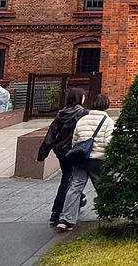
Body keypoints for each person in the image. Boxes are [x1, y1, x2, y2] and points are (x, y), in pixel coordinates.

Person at [56, 93, 114, 232]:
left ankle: (66, 219)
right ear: (106, 105)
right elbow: (109, 143)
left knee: (75, 188)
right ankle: (109, 213)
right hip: (98, 159)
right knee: (102, 186)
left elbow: (75, 141)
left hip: (80, 159)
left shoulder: (82, 120)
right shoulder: (108, 122)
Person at [38, 87, 88, 225]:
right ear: (79, 98)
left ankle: (76, 200)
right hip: (74, 151)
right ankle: (57, 211)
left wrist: (43, 153)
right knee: (68, 180)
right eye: (83, 96)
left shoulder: (61, 114)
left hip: (60, 152)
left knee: (69, 177)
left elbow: (51, 134)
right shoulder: (82, 113)